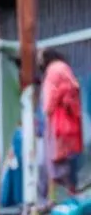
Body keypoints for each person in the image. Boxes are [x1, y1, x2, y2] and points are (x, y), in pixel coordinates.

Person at [40, 49, 84, 202]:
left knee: (56, 172)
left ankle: (57, 204)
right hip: (71, 128)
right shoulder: (67, 71)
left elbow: (47, 105)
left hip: (58, 128)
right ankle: (71, 201)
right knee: (68, 172)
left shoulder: (52, 71)